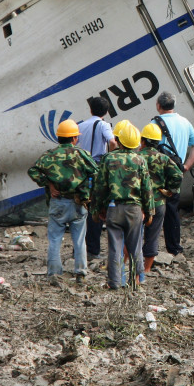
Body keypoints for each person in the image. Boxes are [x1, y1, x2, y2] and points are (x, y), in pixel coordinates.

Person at [27, 119, 96, 282]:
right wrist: (87, 191)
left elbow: (33, 171)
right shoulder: (82, 154)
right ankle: (80, 272)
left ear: (58, 138)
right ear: (74, 138)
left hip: (57, 202)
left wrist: (49, 184)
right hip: (78, 203)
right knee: (79, 239)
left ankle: (54, 274)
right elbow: (96, 173)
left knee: (55, 239)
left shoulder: (49, 156)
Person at [91, 123, 153, 289]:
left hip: (114, 208)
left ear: (117, 140)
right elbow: (147, 189)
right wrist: (149, 211)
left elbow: (100, 188)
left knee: (115, 248)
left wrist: (97, 210)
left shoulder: (108, 159)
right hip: (134, 210)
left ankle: (115, 283)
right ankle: (137, 280)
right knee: (135, 247)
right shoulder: (140, 160)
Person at [154, 92, 194, 255]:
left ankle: (150, 248)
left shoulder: (155, 123)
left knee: (154, 208)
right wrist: (186, 166)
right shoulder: (185, 122)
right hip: (176, 173)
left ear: (158, 105)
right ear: (173, 105)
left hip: (158, 174)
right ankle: (174, 248)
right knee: (172, 209)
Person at [138, 123, 182, 278]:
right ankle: (147, 268)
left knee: (134, 233)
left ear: (142, 141)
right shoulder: (163, 158)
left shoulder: (136, 157)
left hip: (138, 203)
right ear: (157, 142)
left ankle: (131, 264)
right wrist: (170, 190)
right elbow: (178, 175)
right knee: (153, 235)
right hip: (158, 202)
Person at [78, 96, 117, 262]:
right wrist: (110, 156)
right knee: (95, 210)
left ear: (90, 110)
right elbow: (113, 142)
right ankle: (93, 250)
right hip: (96, 168)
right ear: (106, 111)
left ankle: (78, 249)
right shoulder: (103, 125)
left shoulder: (80, 125)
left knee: (80, 210)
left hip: (81, 170)